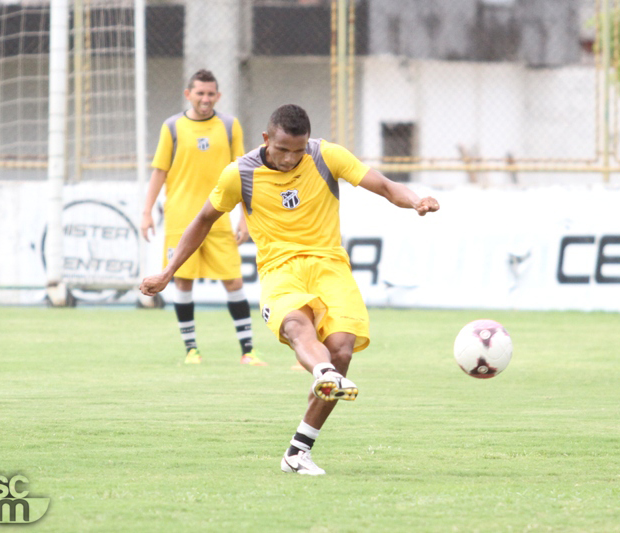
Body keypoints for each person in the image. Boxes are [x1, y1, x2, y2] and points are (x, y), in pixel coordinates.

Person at [139, 104, 439, 474]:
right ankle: (324, 375)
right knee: (299, 328)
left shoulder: (326, 156)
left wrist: (416, 202)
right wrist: (168, 272)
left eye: (298, 151)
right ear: (267, 139)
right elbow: (202, 221)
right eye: (283, 150)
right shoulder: (240, 173)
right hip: (280, 271)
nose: (291, 158)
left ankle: (298, 452)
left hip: (330, 266)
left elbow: (386, 186)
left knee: (342, 350)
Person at [141, 69, 266, 366]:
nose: (205, 99)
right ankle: (191, 350)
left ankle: (247, 351)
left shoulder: (229, 125)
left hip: (219, 216)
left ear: (218, 96)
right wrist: (147, 212)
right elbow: (159, 171)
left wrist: (245, 217)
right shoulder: (172, 126)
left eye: (211, 94)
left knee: (234, 281)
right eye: (200, 93)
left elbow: (243, 171)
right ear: (188, 94)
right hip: (180, 217)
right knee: (182, 281)